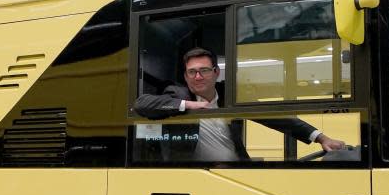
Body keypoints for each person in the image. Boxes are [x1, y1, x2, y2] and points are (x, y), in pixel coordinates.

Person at [133, 47, 346, 161]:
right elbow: (142, 105)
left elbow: (272, 116)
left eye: (204, 71)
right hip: (196, 177)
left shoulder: (229, 95)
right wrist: (188, 105)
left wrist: (321, 137)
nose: (198, 77)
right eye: (192, 72)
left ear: (216, 73)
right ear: (186, 76)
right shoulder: (178, 93)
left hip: (236, 171)